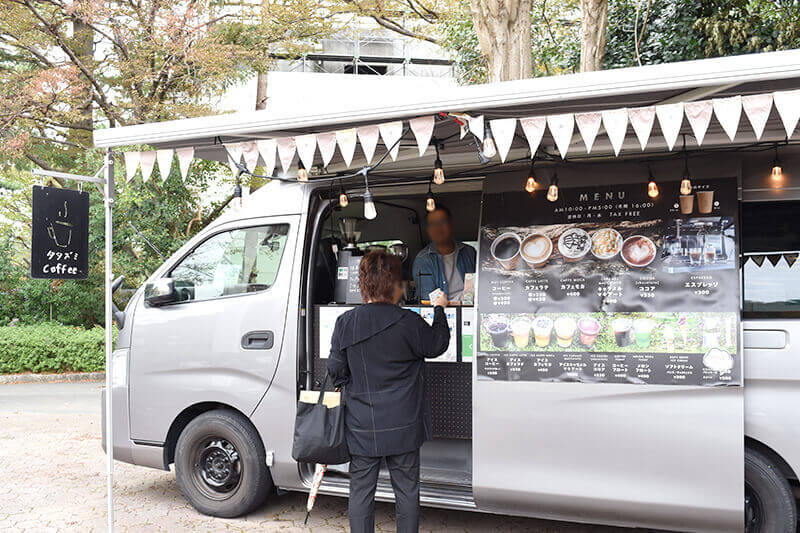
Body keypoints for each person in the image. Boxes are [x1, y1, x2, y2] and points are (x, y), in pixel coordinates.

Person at [327, 251, 450, 533]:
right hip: (404, 424)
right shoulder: (408, 321)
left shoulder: (346, 322)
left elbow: (336, 372)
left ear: (363, 282)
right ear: (395, 282)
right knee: (406, 491)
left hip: (361, 423)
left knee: (360, 492)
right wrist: (439, 309)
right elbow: (437, 345)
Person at [411, 204, 476, 302]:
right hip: (441, 313)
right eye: (433, 224)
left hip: (471, 309)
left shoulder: (469, 252)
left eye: (443, 222)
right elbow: (427, 301)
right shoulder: (423, 260)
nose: (438, 228)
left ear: (451, 224)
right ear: (428, 230)